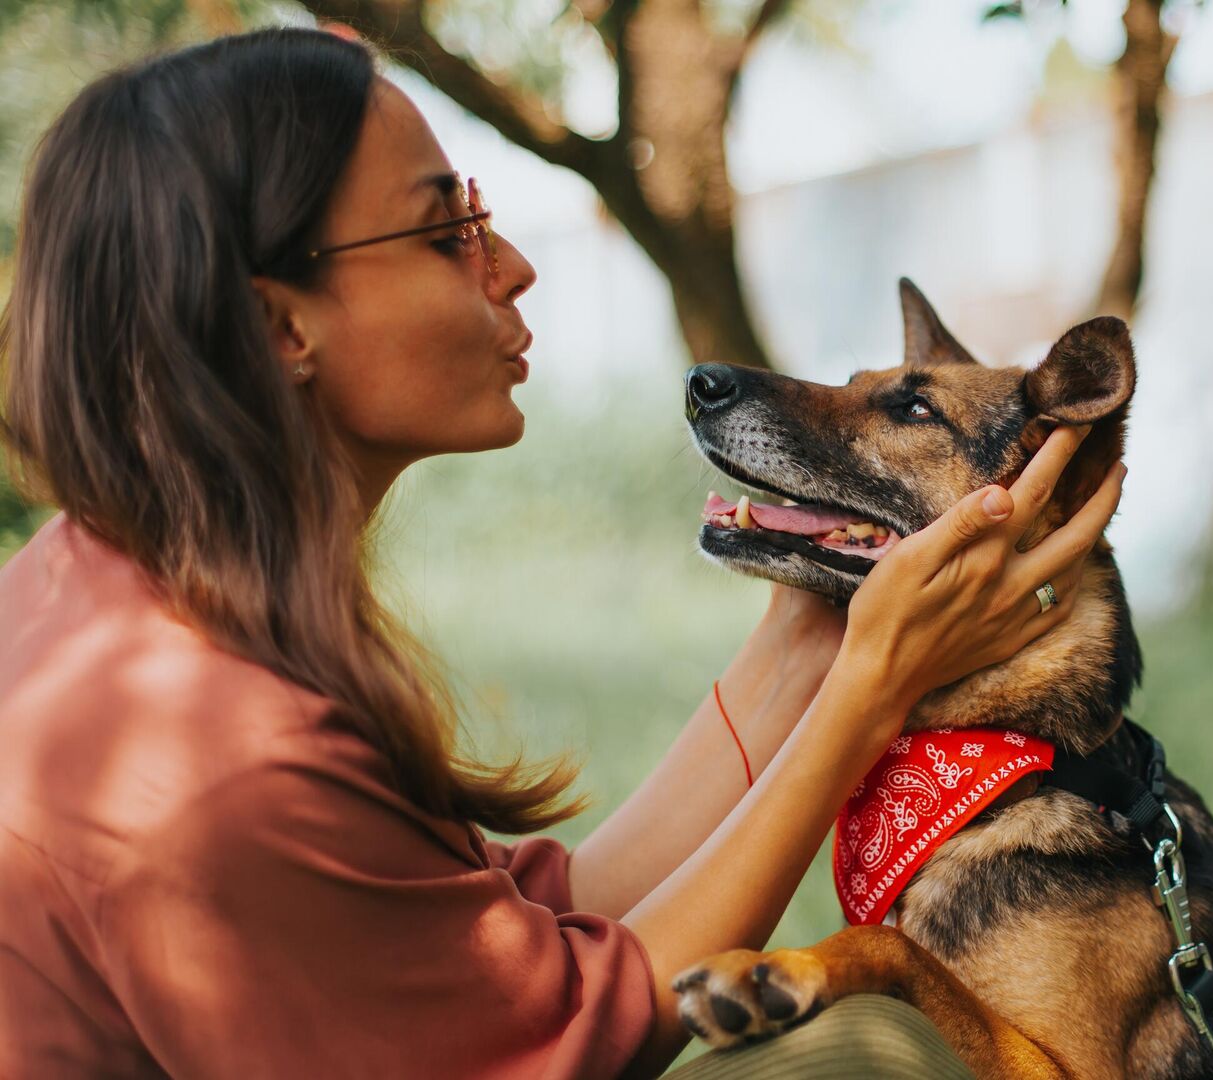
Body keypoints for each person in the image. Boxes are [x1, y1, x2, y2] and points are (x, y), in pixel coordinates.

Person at [0, 27, 1122, 1079]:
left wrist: (809, 637)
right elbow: (567, 1033)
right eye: (447, 234)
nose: (517, 265)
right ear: (281, 327)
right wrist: (873, 687)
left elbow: (537, 942)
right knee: (873, 1048)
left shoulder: (101, 589)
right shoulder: (206, 753)